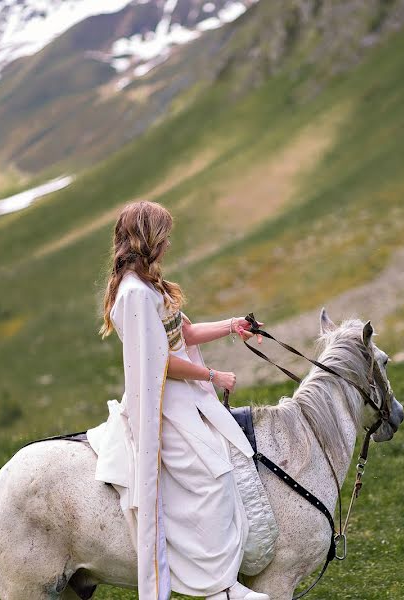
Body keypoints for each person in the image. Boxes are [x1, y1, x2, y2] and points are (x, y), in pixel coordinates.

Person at [86, 201, 270, 600]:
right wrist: (213, 375)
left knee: (226, 463)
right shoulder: (134, 295)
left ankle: (225, 571)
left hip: (183, 398)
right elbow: (160, 362)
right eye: (164, 235)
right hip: (163, 406)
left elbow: (180, 336)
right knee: (211, 479)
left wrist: (230, 325)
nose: (169, 243)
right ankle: (216, 586)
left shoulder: (151, 285)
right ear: (148, 239)